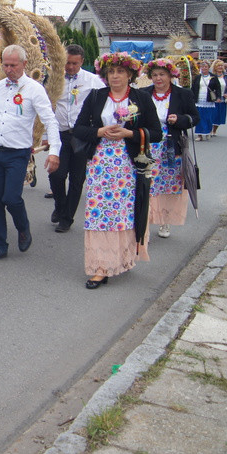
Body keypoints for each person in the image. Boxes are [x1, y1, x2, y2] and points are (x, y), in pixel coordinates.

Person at [73, 52, 163, 289]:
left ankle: (121, 258)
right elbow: (78, 128)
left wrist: (129, 133)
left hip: (127, 165)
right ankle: (100, 267)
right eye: (111, 71)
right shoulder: (96, 96)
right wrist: (99, 132)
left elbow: (156, 132)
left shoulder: (141, 98)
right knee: (99, 214)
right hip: (100, 164)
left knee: (122, 214)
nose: (115, 76)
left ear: (130, 74)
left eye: (120, 71)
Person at [0, 45, 61, 262]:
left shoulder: (34, 89)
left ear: (24, 64)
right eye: (5, 65)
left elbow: (50, 121)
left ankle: (23, 227)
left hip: (17, 153)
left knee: (11, 198)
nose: (8, 69)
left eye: (13, 65)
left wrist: (54, 152)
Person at [48, 44, 105, 233]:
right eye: (67, 63)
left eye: (75, 63)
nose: (70, 67)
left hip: (82, 135)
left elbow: (104, 102)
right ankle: (59, 205)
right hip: (60, 134)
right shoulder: (55, 79)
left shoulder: (93, 81)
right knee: (56, 174)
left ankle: (67, 218)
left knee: (77, 178)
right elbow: (47, 107)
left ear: (82, 62)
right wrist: (45, 135)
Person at [141, 59, 199, 238]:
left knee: (167, 185)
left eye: (162, 75)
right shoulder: (143, 93)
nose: (158, 78)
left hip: (170, 146)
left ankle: (164, 221)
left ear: (170, 76)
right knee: (146, 183)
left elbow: (194, 117)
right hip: (148, 144)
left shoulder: (183, 94)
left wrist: (179, 119)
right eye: (154, 75)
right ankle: (144, 222)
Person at [190, 60, 220, 141]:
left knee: (208, 117)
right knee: (199, 117)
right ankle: (199, 135)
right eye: (202, 67)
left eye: (205, 67)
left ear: (208, 68)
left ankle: (208, 131)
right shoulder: (198, 77)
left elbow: (218, 88)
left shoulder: (213, 77)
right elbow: (193, 88)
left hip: (209, 100)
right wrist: (191, 98)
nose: (204, 68)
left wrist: (218, 97)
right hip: (199, 99)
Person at [210, 60, 227, 137]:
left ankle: (214, 130)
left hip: (222, 98)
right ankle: (209, 129)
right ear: (215, 67)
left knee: (219, 115)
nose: (220, 67)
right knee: (212, 114)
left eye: (221, 66)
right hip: (213, 98)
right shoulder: (211, 76)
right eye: (218, 65)